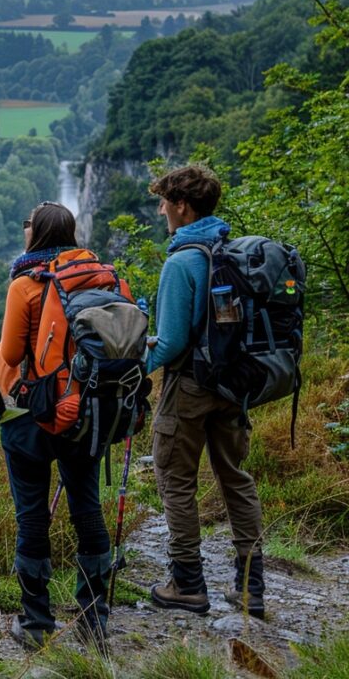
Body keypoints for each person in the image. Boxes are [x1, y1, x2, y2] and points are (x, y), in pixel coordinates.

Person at [145, 164, 265, 618]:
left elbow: (172, 341)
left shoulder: (182, 261)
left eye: (164, 202)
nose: (161, 210)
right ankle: (251, 586)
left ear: (182, 205)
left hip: (191, 386)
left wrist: (137, 368)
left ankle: (188, 584)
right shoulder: (232, 250)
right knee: (235, 476)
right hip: (234, 384)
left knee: (176, 482)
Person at [0, 201, 112, 649]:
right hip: (88, 409)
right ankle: (93, 616)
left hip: (34, 414)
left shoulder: (26, 284)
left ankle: (36, 622)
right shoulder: (100, 274)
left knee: (32, 514)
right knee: (87, 507)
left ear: (36, 235)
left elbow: (8, 356)